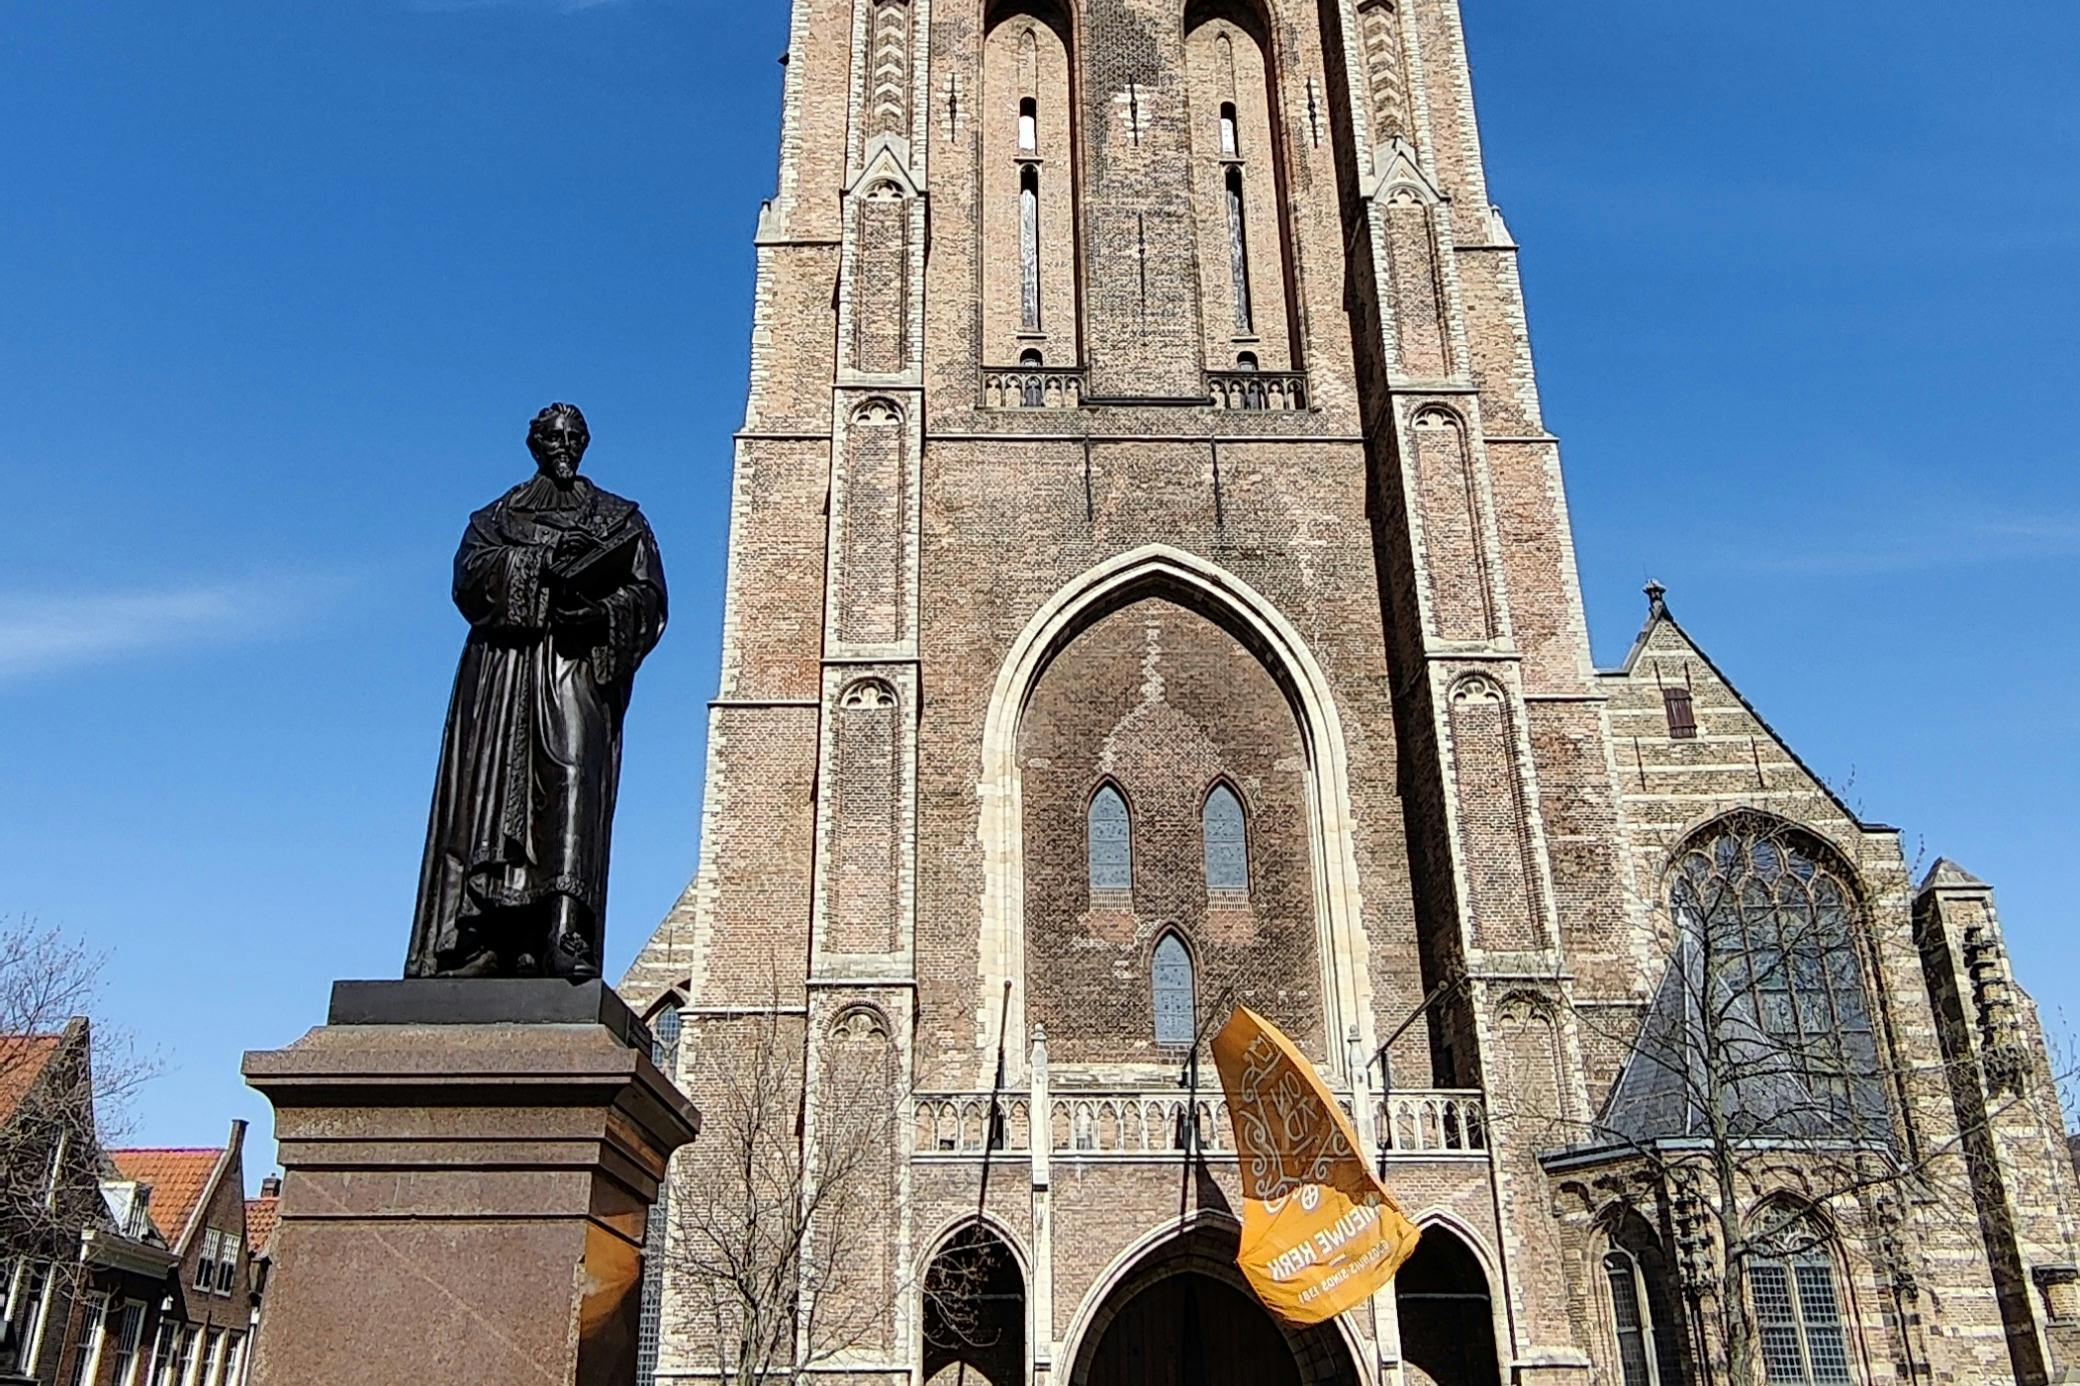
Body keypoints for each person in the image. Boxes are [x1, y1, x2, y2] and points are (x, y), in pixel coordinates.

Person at [406, 403, 666, 980]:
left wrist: (599, 613)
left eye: (575, 437)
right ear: (535, 444)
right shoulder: (496, 517)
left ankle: (564, 931)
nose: (565, 446)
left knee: (573, 775)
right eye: (554, 437)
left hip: (575, 662)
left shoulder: (618, 518)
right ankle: (484, 938)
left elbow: (649, 599)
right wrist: (542, 563)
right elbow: (470, 580)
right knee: (489, 795)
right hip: (506, 670)